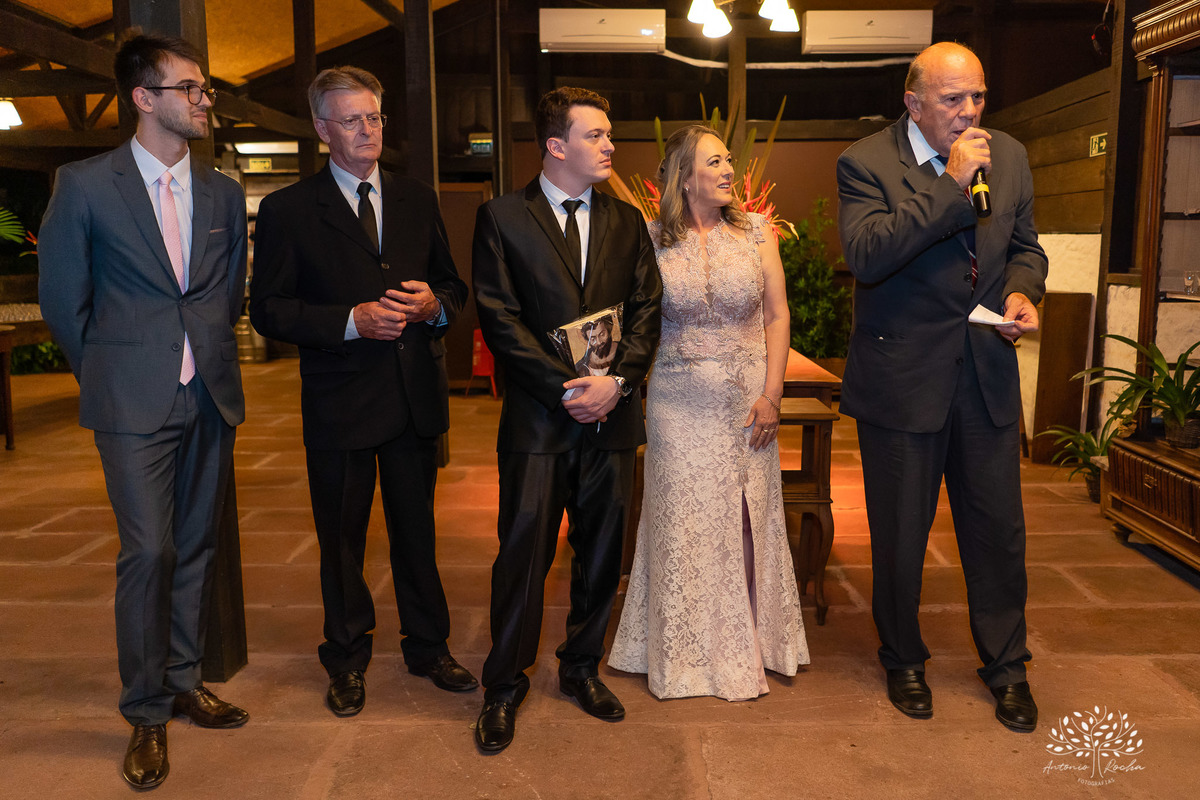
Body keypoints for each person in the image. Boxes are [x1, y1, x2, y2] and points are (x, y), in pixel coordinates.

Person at [38, 33, 249, 790]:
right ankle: (146, 710)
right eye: (189, 89)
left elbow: (226, 295)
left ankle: (186, 678)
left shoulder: (223, 190)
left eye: (205, 89)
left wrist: (206, 362)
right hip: (131, 400)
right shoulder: (86, 185)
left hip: (210, 393)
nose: (203, 100)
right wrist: (114, 370)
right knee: (148, 552)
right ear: (144, 98)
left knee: (195, 547)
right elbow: (65, 303)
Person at [249, 66, 475, 719]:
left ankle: (428, 648)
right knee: (342, 539)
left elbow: (452, 290)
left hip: (412, 398)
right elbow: (269, 310)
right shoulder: (290, 209)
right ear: (323, 129)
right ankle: (346, 659)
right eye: (351, 119)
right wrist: (350, 320)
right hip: (340, 403)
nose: (368, 129)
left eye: (374, 117)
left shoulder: (416, 198)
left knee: (417, 534)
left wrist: (435, 304)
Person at [835, 42, 1047, 732]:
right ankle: (902, 657)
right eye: (953, 100)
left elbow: (1025, 247)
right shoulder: (865, 162)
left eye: (978, 96)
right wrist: (948, 187)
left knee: (997, 533)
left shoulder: (1008, 155)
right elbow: (868, 256)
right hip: (902, 381)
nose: (969, 112)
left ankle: (1007, 667)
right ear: (914, 102)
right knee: (900, 533)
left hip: (984, 374)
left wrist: (1023, 292)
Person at [471, 86, 662, 752]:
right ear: (557, 146)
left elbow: (646, 311)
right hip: (539, 421)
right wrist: (566, 389)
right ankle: (502, 685)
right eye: (597, 136)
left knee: (602, 554)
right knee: (523, 553)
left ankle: (581, 668)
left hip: (611, 417)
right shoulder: (502, 217)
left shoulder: (627, 222)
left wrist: (615, 384)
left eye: (610, 135)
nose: (611, 146)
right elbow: (499, 318)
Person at [608, 124, 809, 700]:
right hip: (676, 399)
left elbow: (777, 317)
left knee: (747, 520)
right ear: (683, 177)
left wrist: (772, 395)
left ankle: (750, 644)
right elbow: (635, 321)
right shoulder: (648, 239)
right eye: (714, 162)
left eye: (729, 161)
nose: (728, 171)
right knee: (682, 519)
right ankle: (682, 652)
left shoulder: (757, 234)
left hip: (748, 399)